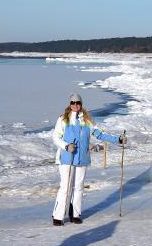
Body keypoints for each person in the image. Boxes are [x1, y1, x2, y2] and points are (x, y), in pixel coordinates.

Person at [52, 93, 126, 226]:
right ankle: (58, 216)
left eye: (78, 103)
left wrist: (118, 140)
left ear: (81, 104)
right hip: (67, 158)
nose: (75, 105)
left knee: (79, 187)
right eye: (73, 103)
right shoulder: (63, 119)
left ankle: (75, 214)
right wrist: (66, 146)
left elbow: (99, 134)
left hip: (82, 158)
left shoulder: (87, 120)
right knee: (65, 187)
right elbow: (56, 137)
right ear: (70, 104)